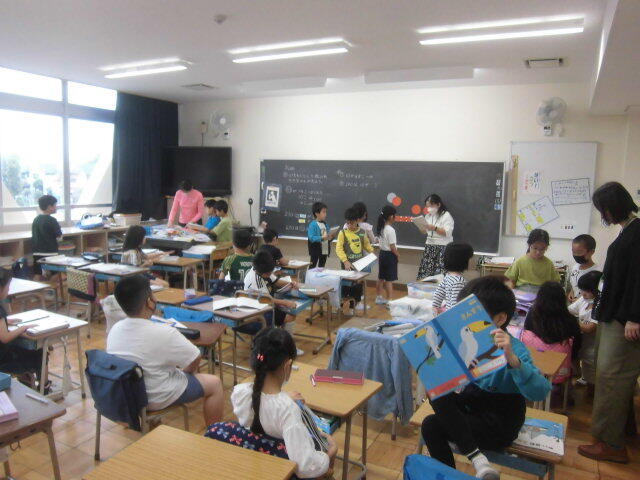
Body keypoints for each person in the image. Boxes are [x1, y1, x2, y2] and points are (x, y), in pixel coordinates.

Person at [421, 276, 551, 480]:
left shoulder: (514, 348)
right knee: (433, 396)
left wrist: (513, 360)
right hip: (472, 406)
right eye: (461, 314)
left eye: (472, 315)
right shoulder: (466, 340)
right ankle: (476, 461)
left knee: (432, 424)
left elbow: (540, 391)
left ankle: (476, 459)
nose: (464, 320)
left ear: (500, 319)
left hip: (500, 421)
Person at [107, 275, 224, 424]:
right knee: (214, 383)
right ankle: (213, 433)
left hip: (125, 394)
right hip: (155, 396)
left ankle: (151, 424)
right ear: (149, 301)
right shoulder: (164, 332)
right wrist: (187, 372)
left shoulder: (115, 329)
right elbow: (195, 356)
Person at [579, 182, 640, 463]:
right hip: (613, 315)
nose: (602, 215)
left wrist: (634, 317)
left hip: (624, 319)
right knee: (611, 376)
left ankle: (612, 444)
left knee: (612, 378)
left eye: (603, 209)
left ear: (613, 207)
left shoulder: (637, 233)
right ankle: (623, 431)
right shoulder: (628, 230)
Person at [231, 328, 337, 478]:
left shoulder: (240, 392)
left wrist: (284, 397)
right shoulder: (288, 410)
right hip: (280, 468)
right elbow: (305, 467)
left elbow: (263, 403)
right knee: (328, 453)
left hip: (255, 463)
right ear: (288, 366)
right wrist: (330, 454)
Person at [244, 250, 304, 355]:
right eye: (269, 273)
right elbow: (265, 299)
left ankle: (282, 341)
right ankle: (289, 347)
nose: (270, 274)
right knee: (290, 316)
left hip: (266, 304)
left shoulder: (262, 270)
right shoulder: (254, 279)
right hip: (259, 310)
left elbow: (276, 281)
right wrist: (285, 303)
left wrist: (292, 283)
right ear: (262, 272)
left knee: (289, 310)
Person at [521, 282, 581, 385]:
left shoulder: (533, 315)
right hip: (560, 371)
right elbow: (576, 347)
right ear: (562, 299)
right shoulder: (570, 320)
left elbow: (526, 331)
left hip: (533, 369)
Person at [0, 269, 45, 386]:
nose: (9, 290)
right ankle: (43, 386)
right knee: (39, 352)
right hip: (3, 360)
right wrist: (22, 328)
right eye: (7, 287)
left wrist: (5, 322)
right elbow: (4, 338)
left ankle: (27, 380)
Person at [568, 270, 601, 391]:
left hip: (594, 342)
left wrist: (574, 322)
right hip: (583, 339)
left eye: (587, 291)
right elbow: (570, 310)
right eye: (582, 290)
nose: (583, 293)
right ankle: (585, 378)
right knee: (583, 358)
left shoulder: (600, 305)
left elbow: (590, 328)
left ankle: (593, 387)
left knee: (590, 362)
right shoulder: (583, 299)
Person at [336, 207, 374, 312]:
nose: (349, 225)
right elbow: (339, 249)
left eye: (352, 223)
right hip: (347, 266)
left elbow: (366, 244)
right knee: (345, 287)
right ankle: (340, 307)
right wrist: (345, 261)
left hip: (359, 266)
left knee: (357, 287)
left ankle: (353, 308)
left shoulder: (362, 232)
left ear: (357, 221)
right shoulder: (342, 233)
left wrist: (371, 251)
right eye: (347, 223)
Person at [417, 194, 455, 280]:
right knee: (427, 273)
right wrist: (421, 228)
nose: (429, 209)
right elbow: (425, 232)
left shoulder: (446, 215)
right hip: (430, 246)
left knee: (440, 274)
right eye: (427, 207)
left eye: (431, 206)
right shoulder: (428, 216)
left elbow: (447, 233)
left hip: (443, 247)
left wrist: (434, 228)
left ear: (438, 204)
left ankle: (441, 288)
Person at [432, 242, 474, 312]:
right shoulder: (459, 282)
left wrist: (435, 306)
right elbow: (456, 306)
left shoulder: (448, 276)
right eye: (469, 259)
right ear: (463, 261)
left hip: (449, 312)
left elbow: (439, 292)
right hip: (454, 315)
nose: (471, 261)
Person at [32, 195, 62, 280]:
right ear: (49, 207)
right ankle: (51, 287)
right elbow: (59, 236)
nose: (56, 207)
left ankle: (34, 288)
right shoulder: (52, 220)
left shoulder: (36, 219)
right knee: (56, 273)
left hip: (37, 252)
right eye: (55, 205)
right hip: (50, 252)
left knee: (38, 273)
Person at [375, 206, 399, 305]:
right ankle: (390, 301)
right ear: (391, 216)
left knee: (381, 277)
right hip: (389, 255)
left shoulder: (381, 227)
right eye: (394, 215)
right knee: (389, 280)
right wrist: (397, 255)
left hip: (382, 254)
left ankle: (378, 297)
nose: (395, 217)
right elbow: (392, 246)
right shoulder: (390, 230)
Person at [568, 234, 600, 302]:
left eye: (579, 252)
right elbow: (574, 285)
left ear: (591, 252)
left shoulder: (596, 272)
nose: (576, 255)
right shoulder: (575, 267)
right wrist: (571, 292)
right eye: (573, 251)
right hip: (574, 304)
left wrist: (580, 301)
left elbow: (595, 295)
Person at [307, 202, 336, 268]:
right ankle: (310, 275)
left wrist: (332, 236)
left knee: (321, 267)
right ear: (317, 213)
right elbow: (311, 238)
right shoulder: (313, 224)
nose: (325, 214)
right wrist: (322, 237)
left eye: (326, 212)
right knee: (312, 266)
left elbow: (327, 237)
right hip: (315, 250)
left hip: (325, 248)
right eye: (323, 212)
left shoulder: (325, 224)